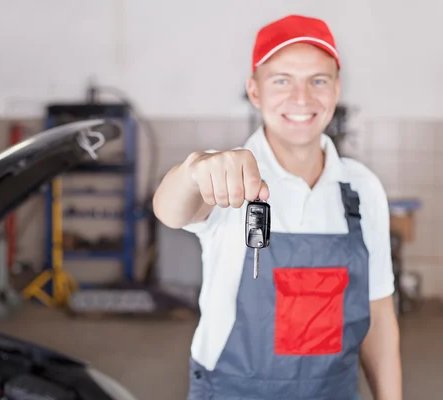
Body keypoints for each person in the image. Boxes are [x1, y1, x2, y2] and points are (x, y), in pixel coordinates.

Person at [153, 14, 402, 400]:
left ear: (336, 90)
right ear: (254, 91)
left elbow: (379, 311)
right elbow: (170, 210)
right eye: (282, 80)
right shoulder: (229, 175)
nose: (302, 98)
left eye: (318, 80)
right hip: (234, 390)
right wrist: (193, 170)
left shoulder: (363, 189)